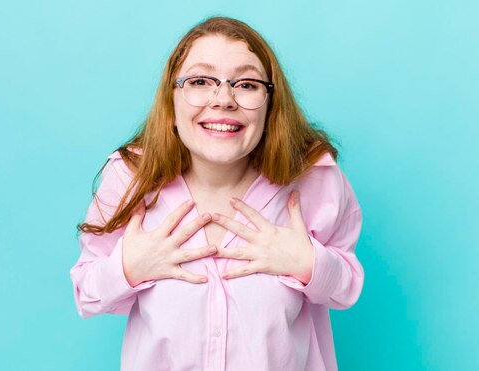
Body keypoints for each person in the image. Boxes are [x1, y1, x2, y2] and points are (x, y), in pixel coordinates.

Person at [70, 16, 363, 371]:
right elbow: (87, 293)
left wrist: (310, 263)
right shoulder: (130, 178)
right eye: (200, 81)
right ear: (171, 101)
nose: (223, 99)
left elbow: (346, 289)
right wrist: (128, 268)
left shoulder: (315, 179)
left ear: (270, 104)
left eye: (247, 84)